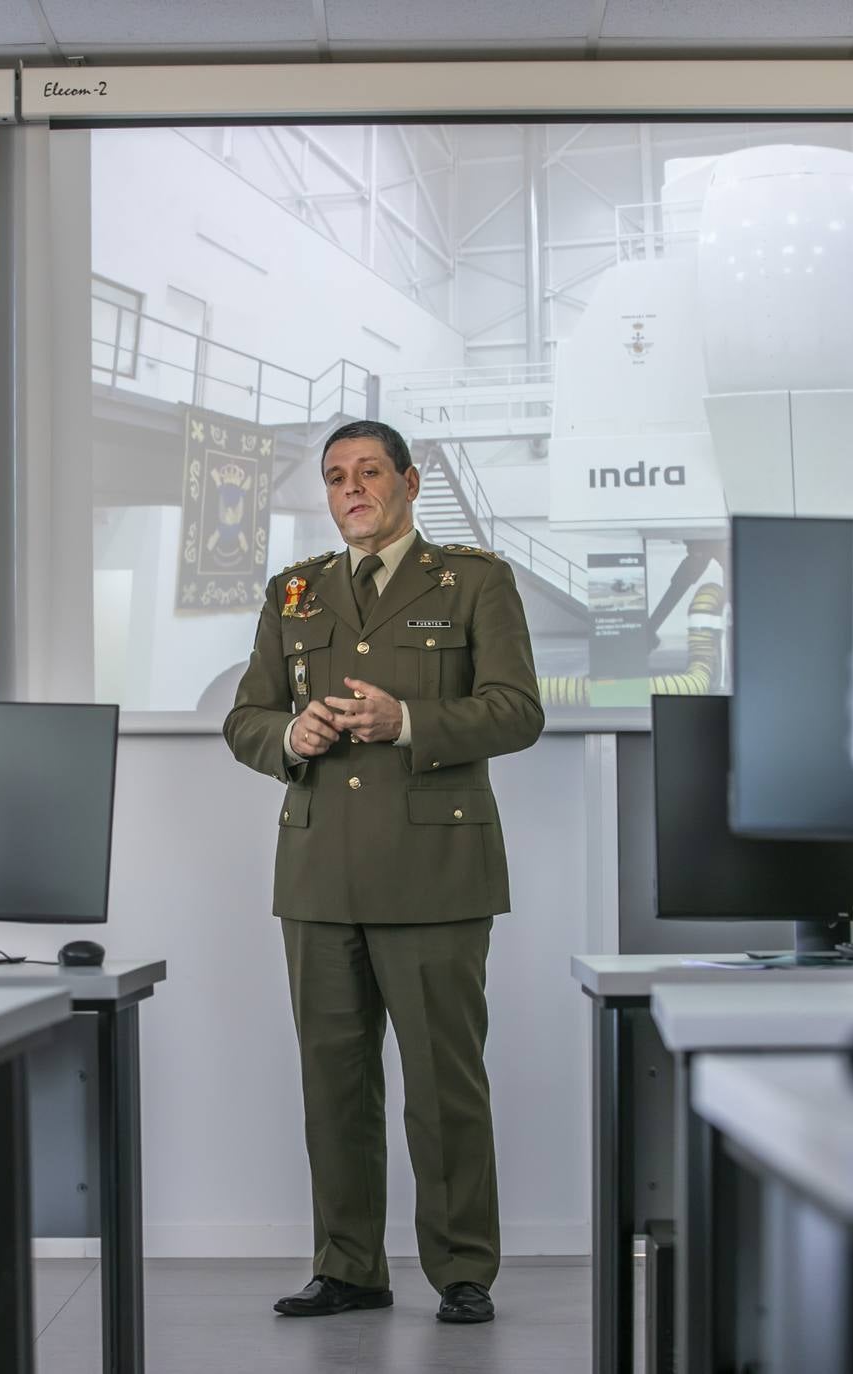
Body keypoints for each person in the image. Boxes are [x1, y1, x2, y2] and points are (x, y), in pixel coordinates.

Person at [223, 419, 544, 1326]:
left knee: (443, 1082)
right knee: (334, 1081)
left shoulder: (475, 579)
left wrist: (408, 721)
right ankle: (349, 1265)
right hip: (319, 869)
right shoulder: (292, 591)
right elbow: (247, 715)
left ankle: (461, 1269)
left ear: (407, 482)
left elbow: (517, 711)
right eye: (335, 476)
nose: (351, 488)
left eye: (369, 472)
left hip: (435, 867)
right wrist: (290, 735)